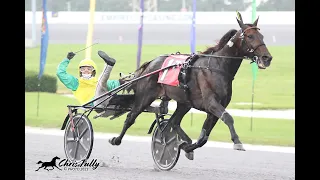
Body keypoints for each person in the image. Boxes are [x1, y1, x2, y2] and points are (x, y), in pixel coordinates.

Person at [56, 50, 123, 117]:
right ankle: (109, 65)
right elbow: (60, 73)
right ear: (80, 70)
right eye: (83, 69)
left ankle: (110, 66)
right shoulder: (75, 83)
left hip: (109, 104)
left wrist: (122, 82)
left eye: (89, 69)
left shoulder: (97, 82)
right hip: (94, 104)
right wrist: (67, 59)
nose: (86, 71)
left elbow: (113, 84)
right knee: (101, 83)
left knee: (103, 85)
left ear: (93, 70)